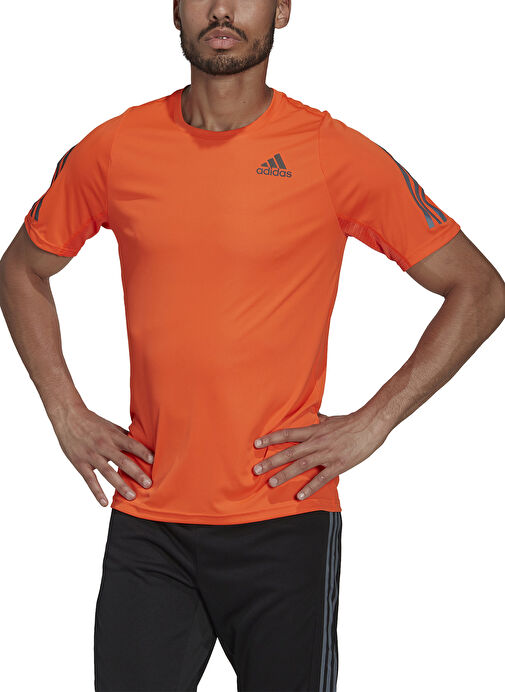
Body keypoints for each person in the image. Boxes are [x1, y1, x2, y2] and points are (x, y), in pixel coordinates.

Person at [1, 1, 504, 690]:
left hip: (283, 518)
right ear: (175, 10)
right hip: (150, 521)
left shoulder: (330, 152)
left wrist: (373, 423)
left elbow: (479, 289)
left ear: (282, 10)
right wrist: (65, 412)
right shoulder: (115, 148)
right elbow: (22, 269)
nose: (221, 9)